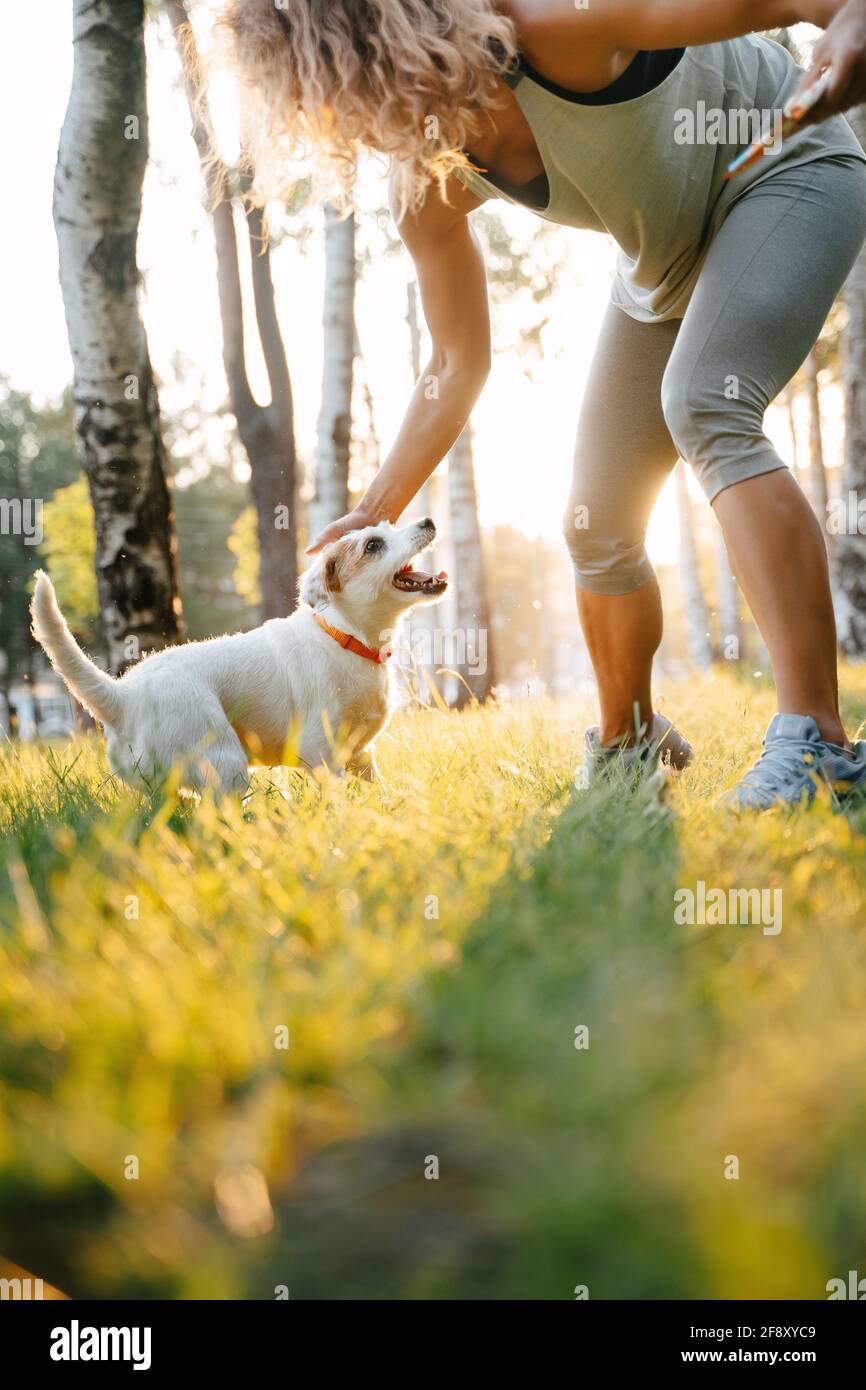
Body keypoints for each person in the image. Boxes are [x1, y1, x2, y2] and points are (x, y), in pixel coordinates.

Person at [222, 0, 866, 809]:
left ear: (388, 47)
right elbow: (455, 364)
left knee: (705, 405)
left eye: (351, 96)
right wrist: (373, 513)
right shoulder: (428, 183)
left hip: (789, 167)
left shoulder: (552, 24)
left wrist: (846, 18)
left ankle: (818, 743)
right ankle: (629, 744)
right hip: (664, 270)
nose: (360, 131)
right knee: (594, 513)